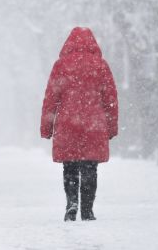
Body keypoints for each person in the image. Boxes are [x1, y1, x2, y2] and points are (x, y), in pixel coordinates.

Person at [40, 27, 119, 221]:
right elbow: (110, 99)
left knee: (70, 168)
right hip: (94, 124)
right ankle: (87, 209)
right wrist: (111, 127)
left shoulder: (61, 65)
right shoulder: (100, 65)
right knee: (90, 168)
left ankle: (72, 204)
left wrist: (46, 128)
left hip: (68, 125)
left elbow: (51, 98)